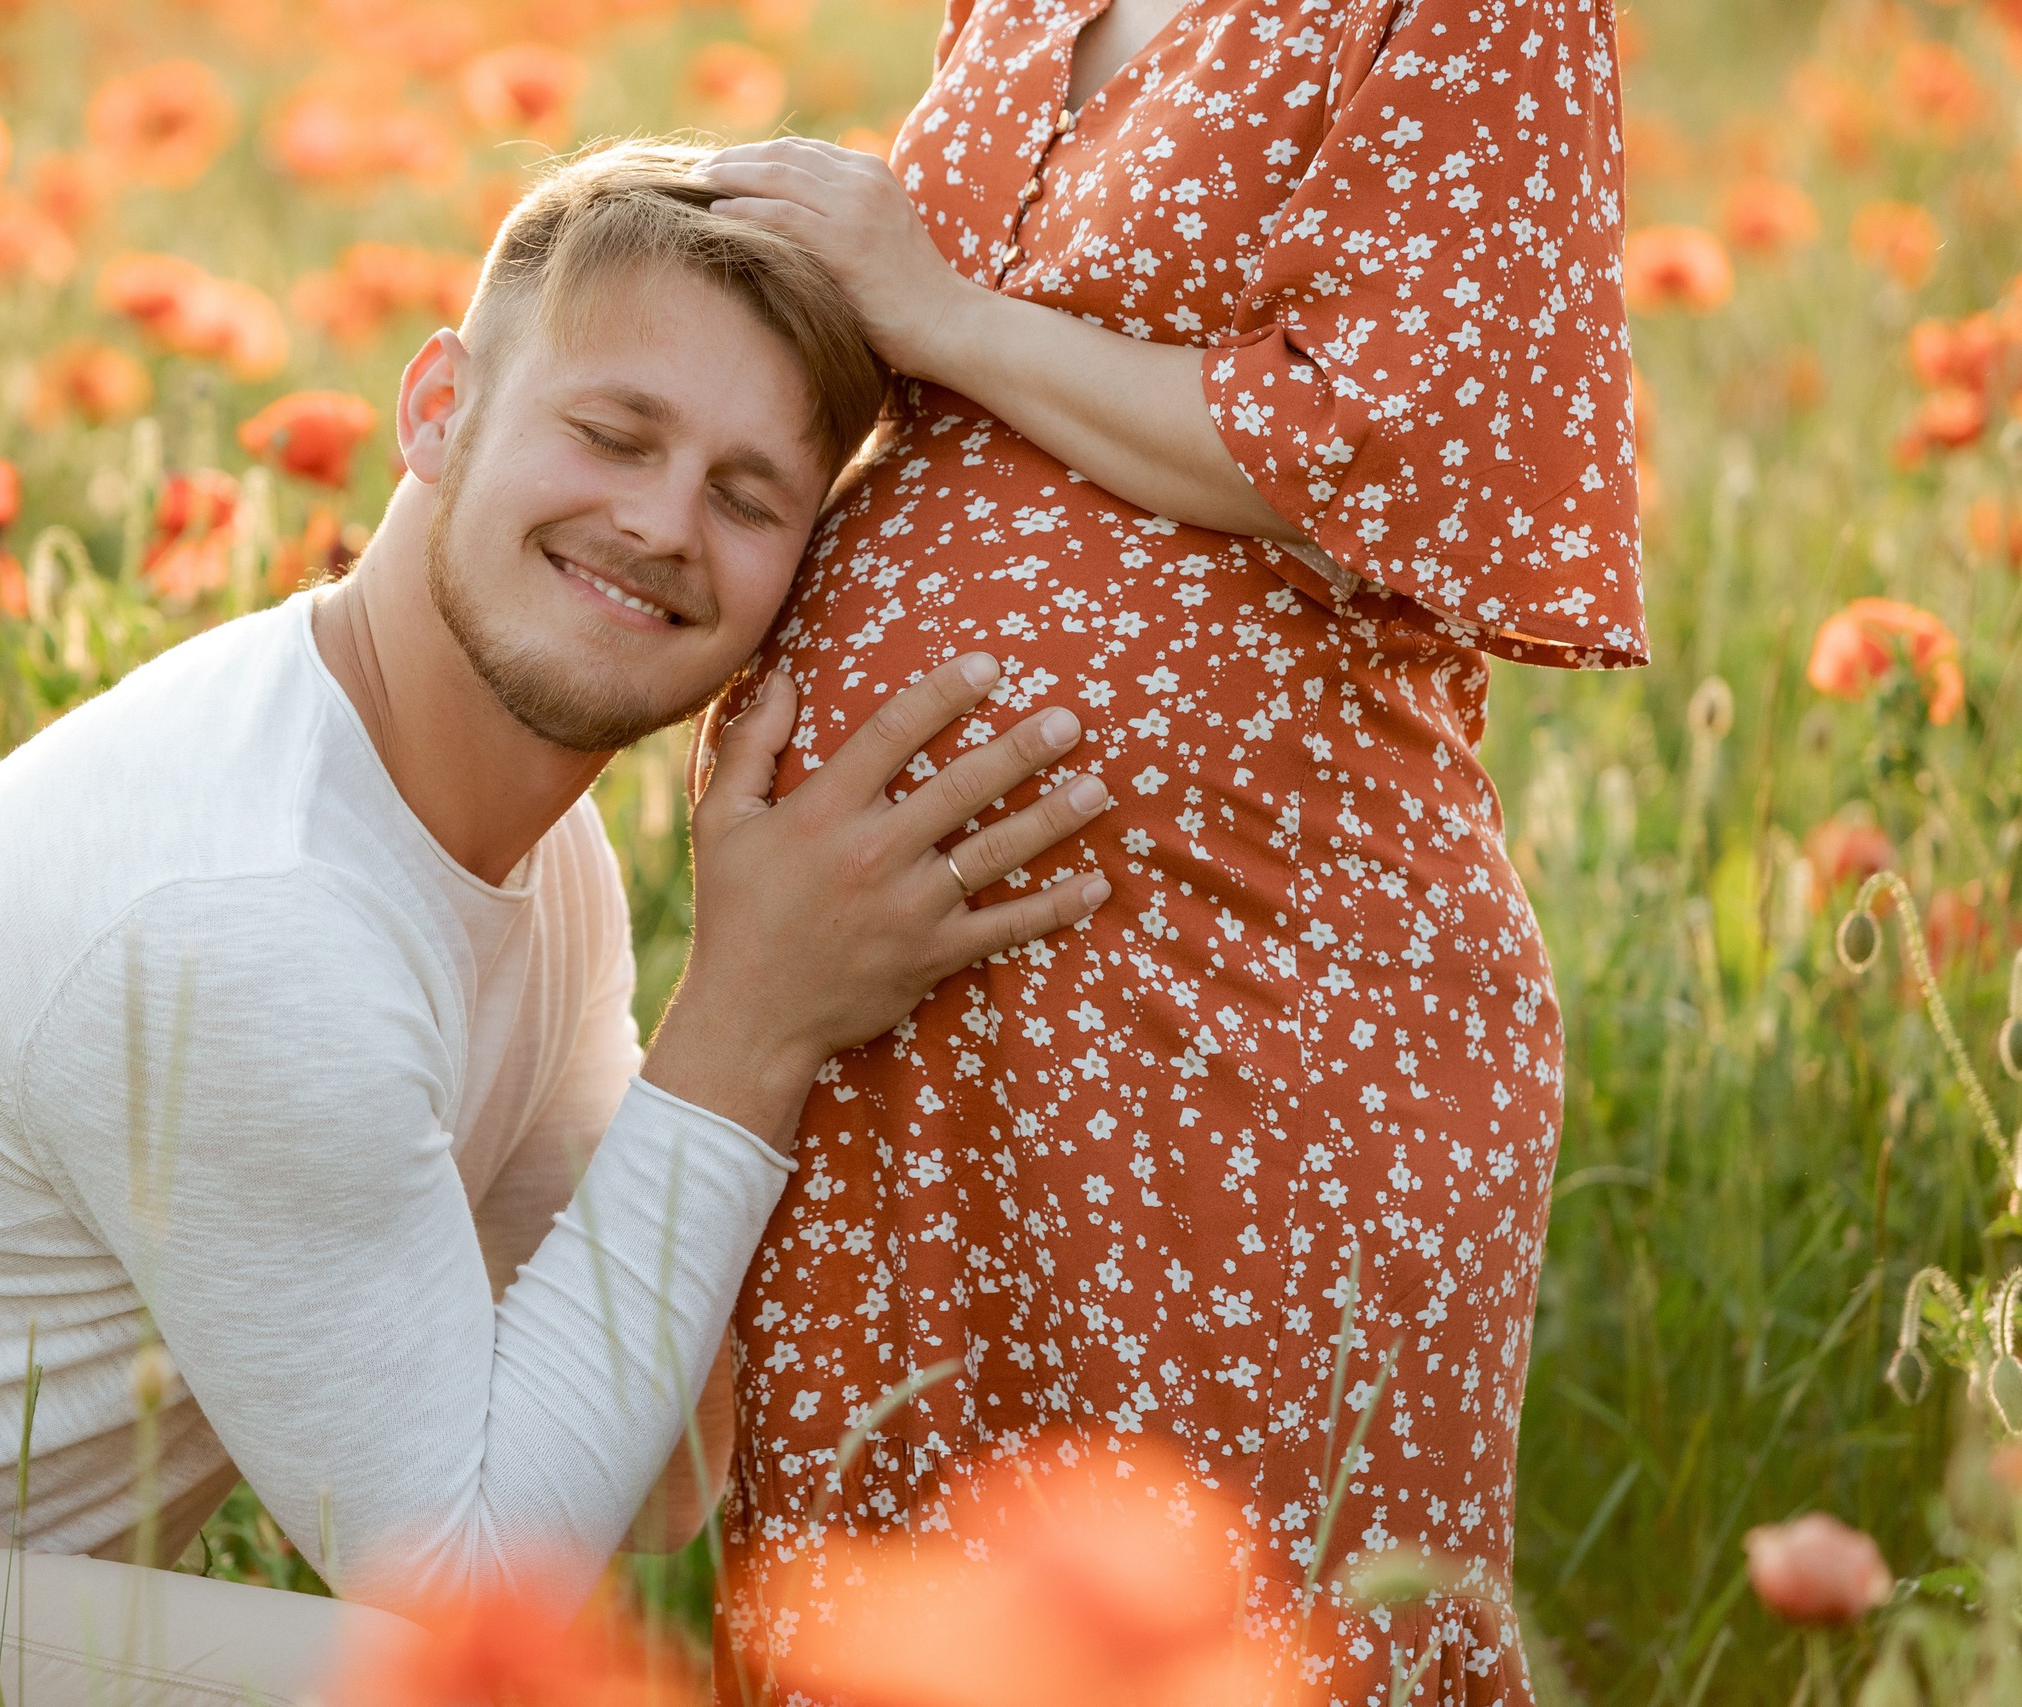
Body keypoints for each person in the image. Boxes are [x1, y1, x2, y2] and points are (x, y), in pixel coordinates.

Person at [0, 146, 1114, 1705]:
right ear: (438, 409)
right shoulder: (256, 918)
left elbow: (650, 1479)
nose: (666, 523)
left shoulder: (536, 864)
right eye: (614, 434)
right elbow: (478, 1597)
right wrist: (752, 1014)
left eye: (751, 498)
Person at [694, 1, 1645, 1700]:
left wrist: (936, 307)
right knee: (904, 1616)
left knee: (1230, 1626)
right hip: (901, 1021)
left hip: (1247, 996)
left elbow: (1369, 442)